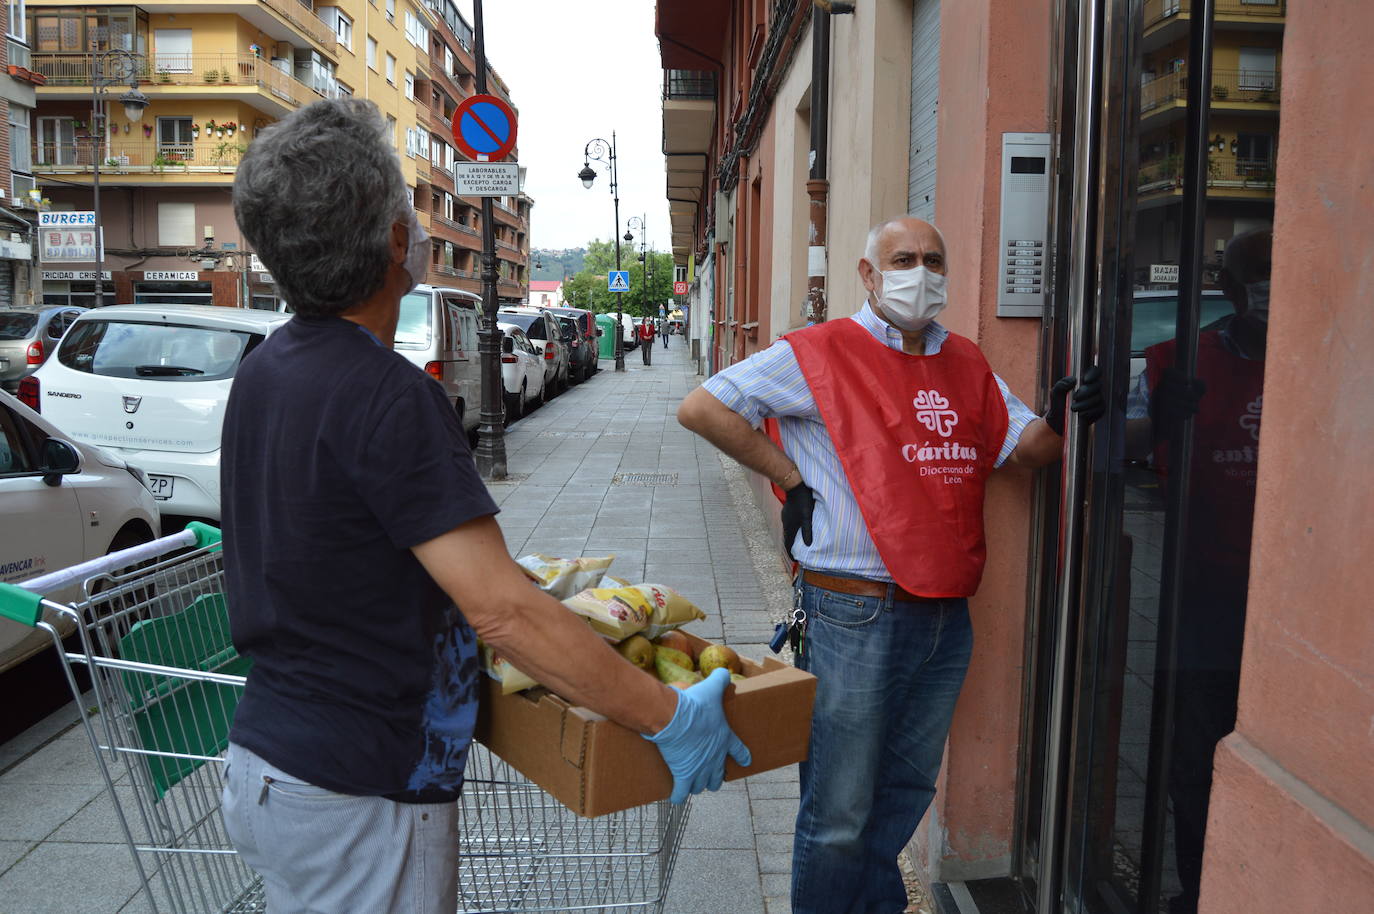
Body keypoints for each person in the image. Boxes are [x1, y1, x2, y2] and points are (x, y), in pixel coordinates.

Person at [218, 98, 749, 914]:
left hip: (272, 760)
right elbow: (503, 615)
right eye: (410, 210)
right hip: (361, 788)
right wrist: (669, 715)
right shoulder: (390, 395)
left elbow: (339, 539)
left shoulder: (266, 366)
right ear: (397, 241)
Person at [677, 216, 1103, 914]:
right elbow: (704, 407)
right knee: (840, 810)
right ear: (869, 275)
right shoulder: (820, 352)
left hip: (943, 613)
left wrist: (1062, 417)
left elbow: (1024, 449)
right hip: (852, 608)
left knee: (904, 793)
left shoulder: (966, 362)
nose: (921, 272)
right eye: (903, 258)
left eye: (934, 260)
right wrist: (790, 477)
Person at [1125, 228, 1270, 914]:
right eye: (1256, 282)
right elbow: (1129, 447)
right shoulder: (1178, 361)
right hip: (1204, 587)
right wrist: (1149, 418)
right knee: (1198, 747)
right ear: (1233, 290)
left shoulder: (1320, 359)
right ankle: (1197, 887)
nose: (1267, 296)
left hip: (1286, 602)